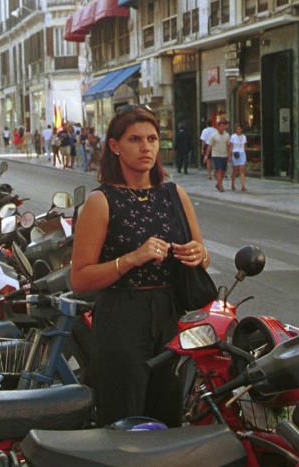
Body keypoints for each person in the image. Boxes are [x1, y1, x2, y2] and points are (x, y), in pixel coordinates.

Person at [70, 106, 210, 426]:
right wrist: (131, 259)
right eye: (135, 139)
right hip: (122, 315)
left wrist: (197, 254)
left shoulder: (175, 194)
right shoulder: (101, 201)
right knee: (125, 411)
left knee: (169, 407)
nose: (146, 147)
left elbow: (204, 254)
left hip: (171, 313)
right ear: (115, 146)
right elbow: (79, 278)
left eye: (152, 139)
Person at [208, 119, 231, 192]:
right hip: (216, 155)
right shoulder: (213, 135)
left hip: (224, 155)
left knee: (223, 171)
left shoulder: (227, 135)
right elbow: (210, 146)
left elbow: (228, 145)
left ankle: (218, 183)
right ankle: (221, 185)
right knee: (219, 170)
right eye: (221, 126)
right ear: (218, 127)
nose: (223, 128)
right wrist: (206, 155)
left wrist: (229, 155)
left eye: (224, 126)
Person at [229, 124, 248, 192]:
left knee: (242, 169)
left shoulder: (244, 137)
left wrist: (245, 156)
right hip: (235, 153)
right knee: (235, 170)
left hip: (242, 153)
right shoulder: (233, 136)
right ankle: (232, 183)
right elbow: (231, 146)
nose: (238, 130)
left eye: (240, 129)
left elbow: (244, 146)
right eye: (237, 129)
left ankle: (243, 186)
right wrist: (230, 155)